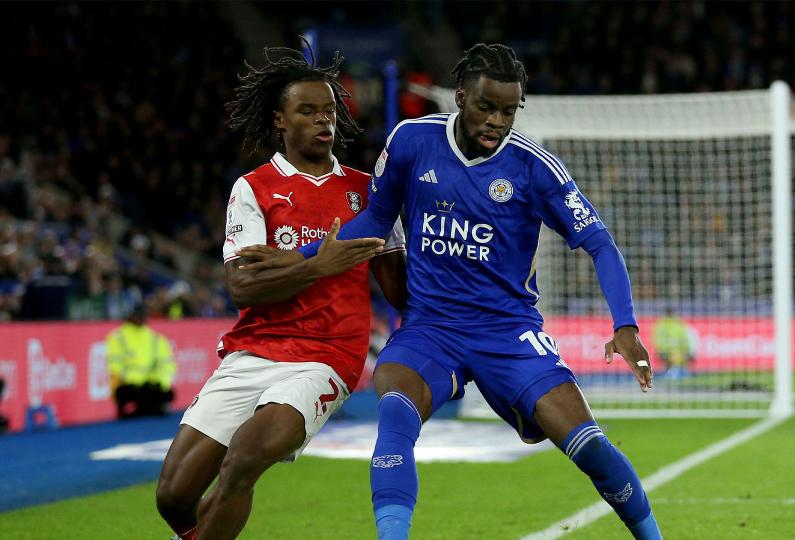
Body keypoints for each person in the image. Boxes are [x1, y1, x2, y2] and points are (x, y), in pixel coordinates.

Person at [244, 43, 661, 539]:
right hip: (429, 330)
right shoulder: (411, 142)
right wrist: (302, 257)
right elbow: (377, 219)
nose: (497, 121)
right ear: (461, 97)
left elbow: (600, 244)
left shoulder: (534, 168)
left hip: (508, 333)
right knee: (395, 418)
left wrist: (626, 325)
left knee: (589, 445)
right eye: (487, 106)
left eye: (509, 110)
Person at [154, 45, 407, 540]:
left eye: (330, 111)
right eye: (307, 111)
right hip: (254, 349)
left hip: (327, 357)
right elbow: (244, 286)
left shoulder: (366, 193)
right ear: (280, 121)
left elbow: (399, 291)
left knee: (245, 458)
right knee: (174, 497)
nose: (323, 121)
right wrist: (323, 265)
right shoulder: (254, 188)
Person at [105, 302, 176, 418]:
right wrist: (135, 380)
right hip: (129, 386)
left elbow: (166, 365)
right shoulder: (118, 337)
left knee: (167, 393)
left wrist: (160, 382)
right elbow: (115, 367)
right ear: (130, 315)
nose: (141, 317)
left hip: (150, 385)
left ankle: (148, 406)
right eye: (138, 314)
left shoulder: (155, 338)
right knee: (128, 394)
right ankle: (138, 407)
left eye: (143, 314)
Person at [652, 307, 694, 379]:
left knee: (682, 356)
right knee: (674, 356)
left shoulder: (677, 323)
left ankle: (678, 373)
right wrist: (671, 350)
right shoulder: (662, 325)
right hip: (667, 352)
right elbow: (659, 342)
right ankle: (673, 373)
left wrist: (685, 350)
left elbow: (685, 339)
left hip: (679, 351)